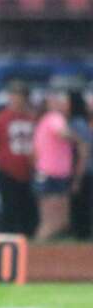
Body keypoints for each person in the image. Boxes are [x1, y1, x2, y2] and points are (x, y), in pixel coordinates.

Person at [32, 76, 90, 241]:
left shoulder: (47, 120)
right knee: (52, 221)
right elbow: (63, 134)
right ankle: (36, 249)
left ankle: (41, 248)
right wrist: (80, 142)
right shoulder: (54, 118)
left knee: (57, 220)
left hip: (53, 174)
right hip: (51, 175)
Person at [0, 80, 38, 235]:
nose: (15, 99)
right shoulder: (0, 119)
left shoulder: (32, 119)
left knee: (28, 210)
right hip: (7, 171)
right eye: (13, 95)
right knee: (9, 209)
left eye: (19, 95)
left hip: (29, 171)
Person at [69, 94, 93, 239]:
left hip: (84, 169)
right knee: (84, 203)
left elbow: (83, 149)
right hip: (85, 169)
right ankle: (83, 232)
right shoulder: (82, 123)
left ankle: (82, 232)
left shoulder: (77, 124)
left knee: (81, 203)